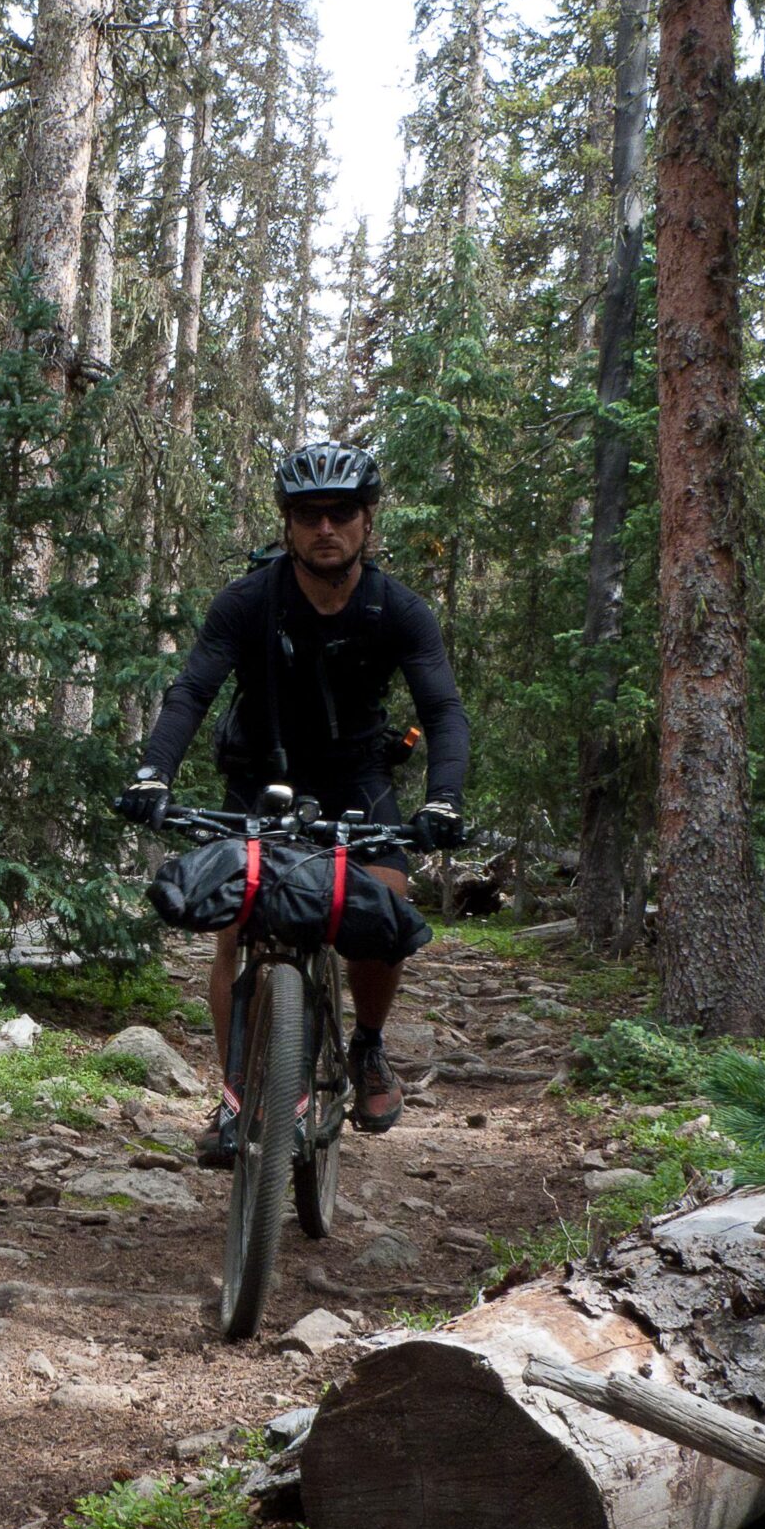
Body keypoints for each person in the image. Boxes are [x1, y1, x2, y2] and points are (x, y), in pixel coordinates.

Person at [114, 440, 470, 1168]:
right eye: (309, 515)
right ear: (287, 525)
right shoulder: (249, 601)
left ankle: (366, 1046)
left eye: (341, 513)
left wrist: (444, 798)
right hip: (258, 774)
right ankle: (239, 1092)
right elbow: (192, 691)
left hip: (357, 778)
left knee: (383, 916)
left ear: (368, 521)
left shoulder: (398, 610)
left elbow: (442, 709)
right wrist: (154, 773)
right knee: (236, 927)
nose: (325, 528)